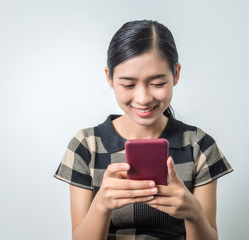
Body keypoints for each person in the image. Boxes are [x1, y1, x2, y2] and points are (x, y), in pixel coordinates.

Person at [54, 20, 233, 240]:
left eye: (157, 83)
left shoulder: (199, 146)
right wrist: (101, 205)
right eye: (128, 85)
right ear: (109, 77)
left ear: (176, 74)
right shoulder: (85, 146)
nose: (143, 98)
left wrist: (193, 213)